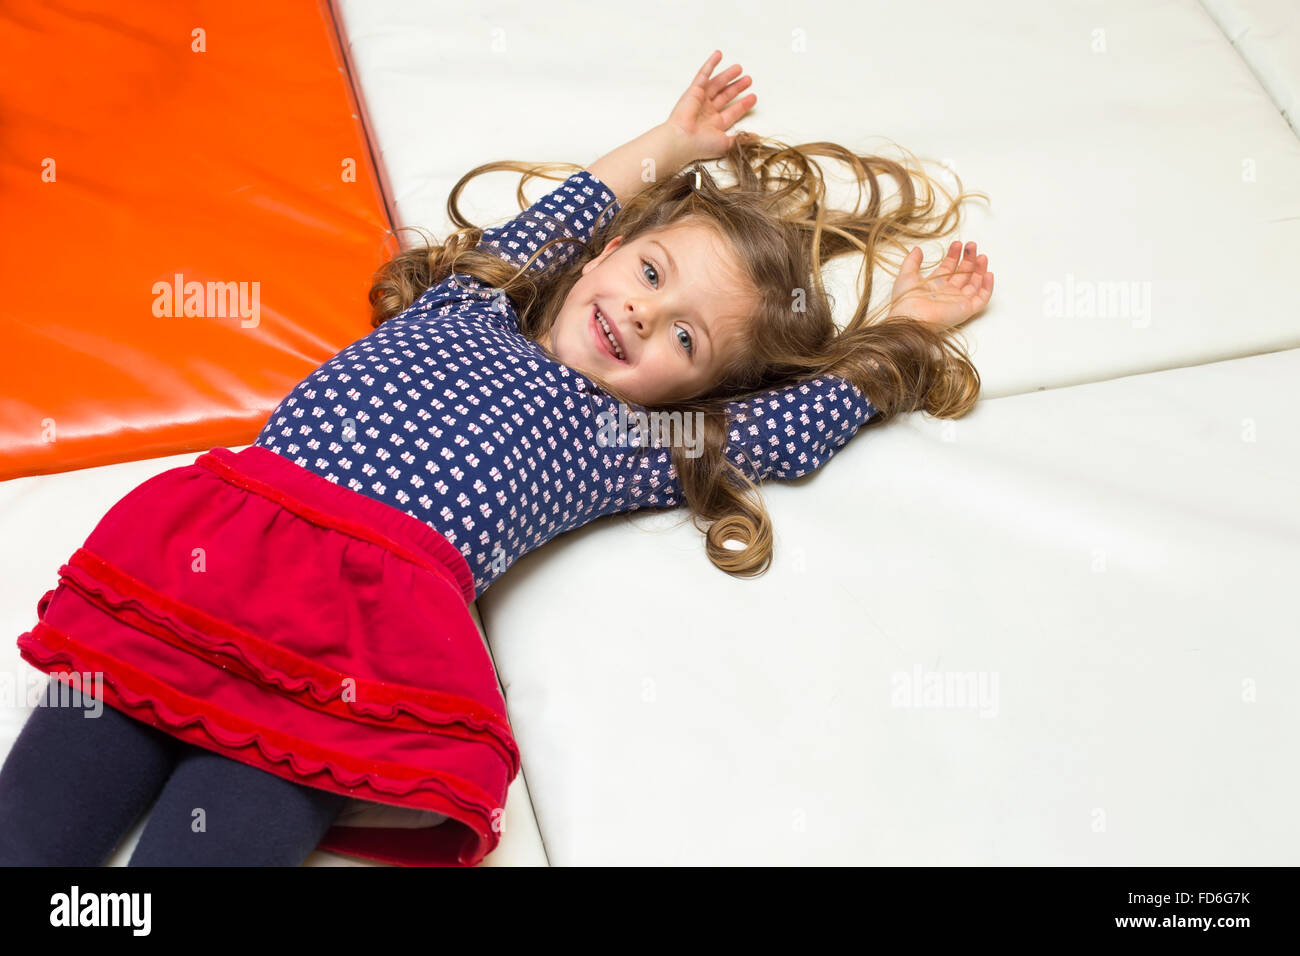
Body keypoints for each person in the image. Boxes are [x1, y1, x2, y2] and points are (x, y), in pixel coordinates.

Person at [0, 51, 993, 867]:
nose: (645, 314)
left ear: (691, 394)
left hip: (351, 642)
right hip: (207, 566)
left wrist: (904, 330)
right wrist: (672, 142)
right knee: (33, 829)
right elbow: (572, 205)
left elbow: (790, 428)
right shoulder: (474, 294)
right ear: (601, 254)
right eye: (649, 272)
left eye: (685, 341)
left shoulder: (621, 439)